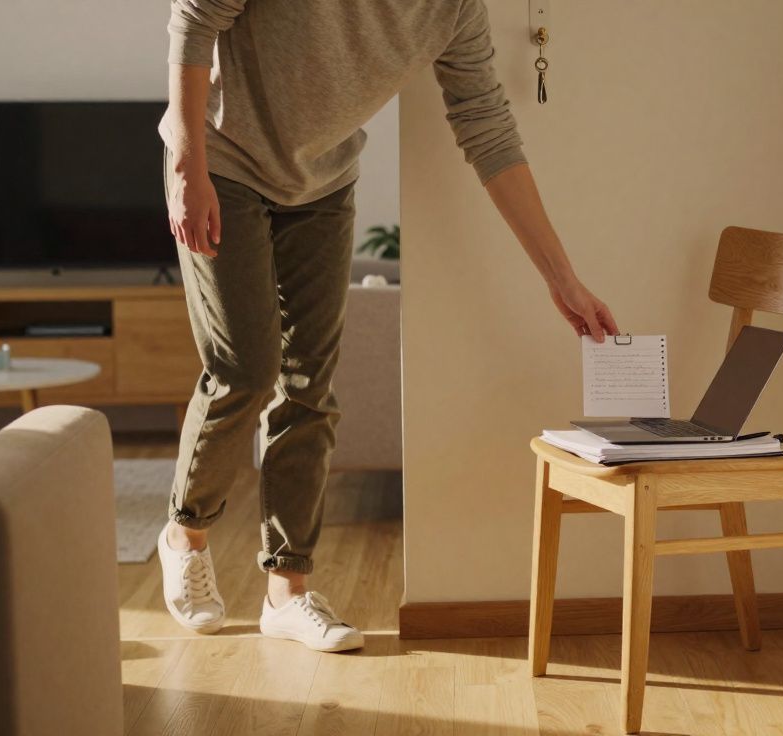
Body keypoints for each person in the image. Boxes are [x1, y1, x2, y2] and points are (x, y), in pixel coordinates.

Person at [157, 0, 619, 653]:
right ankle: (186, 531)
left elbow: (487, 129)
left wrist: (561, 278)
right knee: (247, 369)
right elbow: (194, 16)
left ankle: (287, 590)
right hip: (222, 162)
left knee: (309, 384)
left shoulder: (454, 9)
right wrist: (187, 164)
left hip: (322, 184)